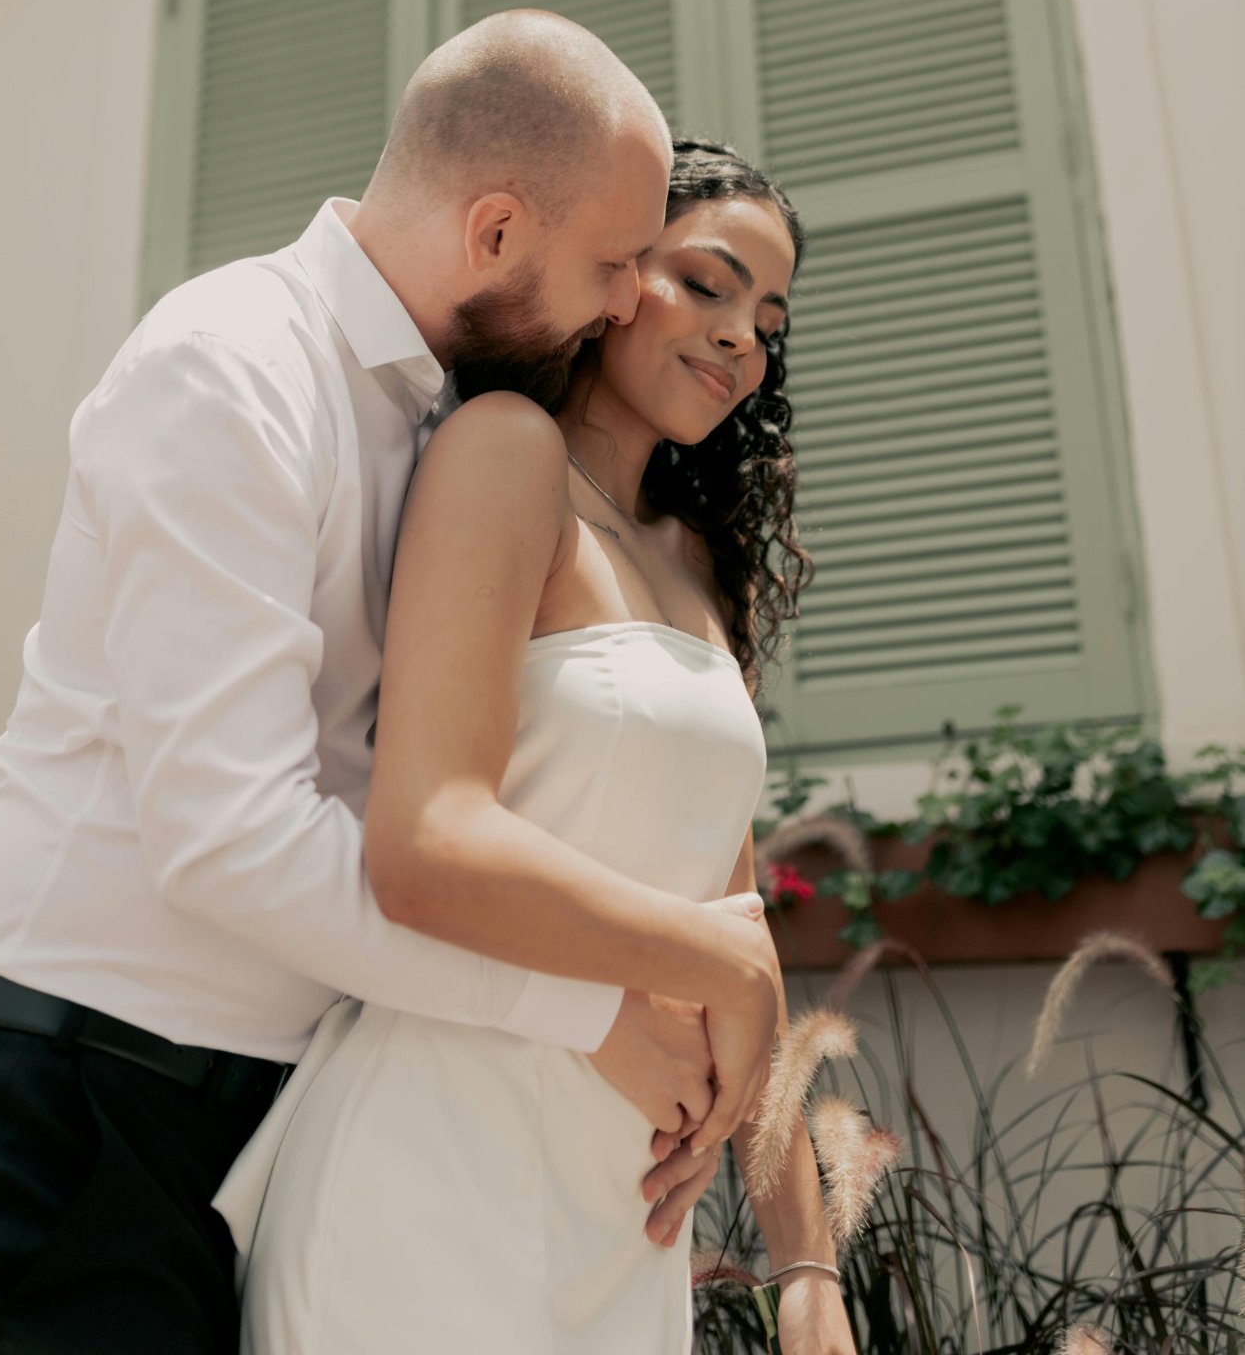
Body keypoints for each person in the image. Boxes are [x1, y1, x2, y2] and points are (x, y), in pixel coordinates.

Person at [0, 14, 770, 1355]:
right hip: (64, 1098)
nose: (624, 305)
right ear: (493, 231)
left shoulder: (459, 417)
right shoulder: (234, 367)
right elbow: (232, 839)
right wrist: (587, 1011)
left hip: (270, 1105)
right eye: (611, 264)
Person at [217, 137, 857, 1355]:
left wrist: (806, 1260)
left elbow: (736, 920)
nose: (742, 337)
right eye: (706, 283)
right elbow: (435, 836)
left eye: (768, 317)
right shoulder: (505, 453)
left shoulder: (695, 560)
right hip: (435, 1151)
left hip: (621, 1199)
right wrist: (716, 968)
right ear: (614, 278)